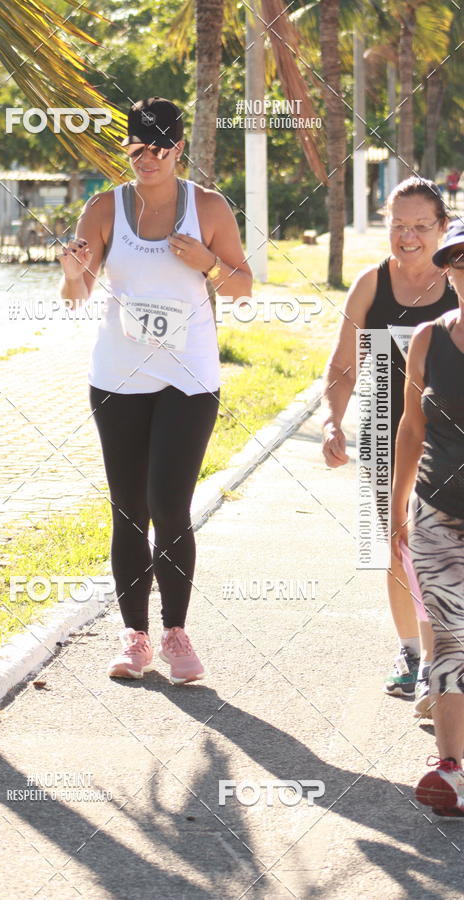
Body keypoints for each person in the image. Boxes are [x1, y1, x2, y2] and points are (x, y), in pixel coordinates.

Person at [58, 97, 252, 684]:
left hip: (189, 378)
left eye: (159, 149)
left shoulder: (209, 208)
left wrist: (207, 262)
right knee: (128, 510)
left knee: (170, 506)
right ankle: (135, 636)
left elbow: (243, 287)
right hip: (119, 376)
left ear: (178, 149)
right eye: (137, 149)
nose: (147, 160)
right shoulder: (105, 208)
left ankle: (176, 632)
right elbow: (76, 295)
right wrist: (72, 271)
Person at [321, 177, 457, 710]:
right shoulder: (371, 285)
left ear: (443, 228)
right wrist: (334, 422)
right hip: (388, 435)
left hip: (452, 441)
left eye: (421, 226)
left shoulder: (457, 282)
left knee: (444, 554)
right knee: (402, 546)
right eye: (397, 226)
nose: (407, 237)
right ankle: (415, 657)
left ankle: (441, 658)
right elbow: (341, 366)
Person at [391, 220, 464, 816]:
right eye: (457, 260)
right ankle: (451, 767)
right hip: (438, 510)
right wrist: (396, 507)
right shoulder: (428, 338)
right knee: (446, 640)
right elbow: (411, 427)